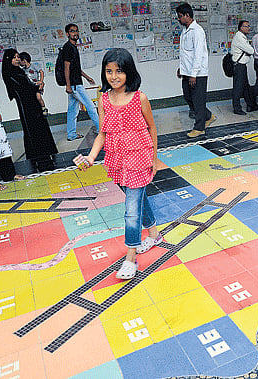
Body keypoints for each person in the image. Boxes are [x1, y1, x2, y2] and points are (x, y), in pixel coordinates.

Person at [81, 48, 162, 280]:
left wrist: (154, 158)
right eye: (109, 71)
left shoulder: (140, 98)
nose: (114, 76)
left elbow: (152, 128)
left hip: (139, 157)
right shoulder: (103, 99)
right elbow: (102, 133)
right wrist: (91, 156)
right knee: (138, 197)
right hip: (118, 158)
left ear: (129, 72)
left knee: (131, 210)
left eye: (119, 71)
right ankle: (154, 234)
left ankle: (130, 258)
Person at [1, 49, 57, 172]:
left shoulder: (18, 70)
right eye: (14, 57)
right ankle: (39, 156)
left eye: (17, 57)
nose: (17, 59)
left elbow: (28, 86)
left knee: (38, 129)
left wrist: (38, 85)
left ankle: (41, 154)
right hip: (26, 106)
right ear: (8, 59)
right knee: (33, 130)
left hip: (32, 104)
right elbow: (23, 89)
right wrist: (37, 86)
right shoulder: (10, 73)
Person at [175, 3, 215, 138]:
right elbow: (186, 54)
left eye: (180, 16)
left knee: (198, 100)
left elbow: (198, 54)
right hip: (187, 72)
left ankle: (199, 128)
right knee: (188, 97)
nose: (178, 19)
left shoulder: (197, 31)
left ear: (187, 15)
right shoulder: (185, 31)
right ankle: (208, 116)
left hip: (197, 73)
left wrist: (193, 75)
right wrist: (182, 68)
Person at [63, 23, 100, 141]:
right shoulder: (69, 47)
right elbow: (66, 67)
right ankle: (101, 130)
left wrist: (87, 77)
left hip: (76, 83)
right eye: (72, 31)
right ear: (67, 34)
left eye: (77, 31)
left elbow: (75, 68)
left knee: (72, 110)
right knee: (91, 106)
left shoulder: (72, 47)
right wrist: (68, 85)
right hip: (74, 85)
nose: (75, 33)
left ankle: (71, 134)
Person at [231, 20, 258, 115]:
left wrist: (248, 51)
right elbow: (251, 50)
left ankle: (251, 105)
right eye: (247, 26)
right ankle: (237, 108)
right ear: (241, 28)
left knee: (246, 87)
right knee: (238, 88)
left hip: (242, 66)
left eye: (249, 26)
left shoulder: (242, 37)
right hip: (239, 66)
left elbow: (249, 50)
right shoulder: (239, 37)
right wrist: (249, 51)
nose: (249, 28)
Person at [19, 51, 48, 116]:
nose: (20, 63)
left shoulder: (34, 66)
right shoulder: (24, 70)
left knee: (38, 97)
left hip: (37, 84)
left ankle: (44, 107)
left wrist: (41, 81)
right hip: (31, 86)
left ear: (24, 61)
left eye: (20, 61)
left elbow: (41, 72)